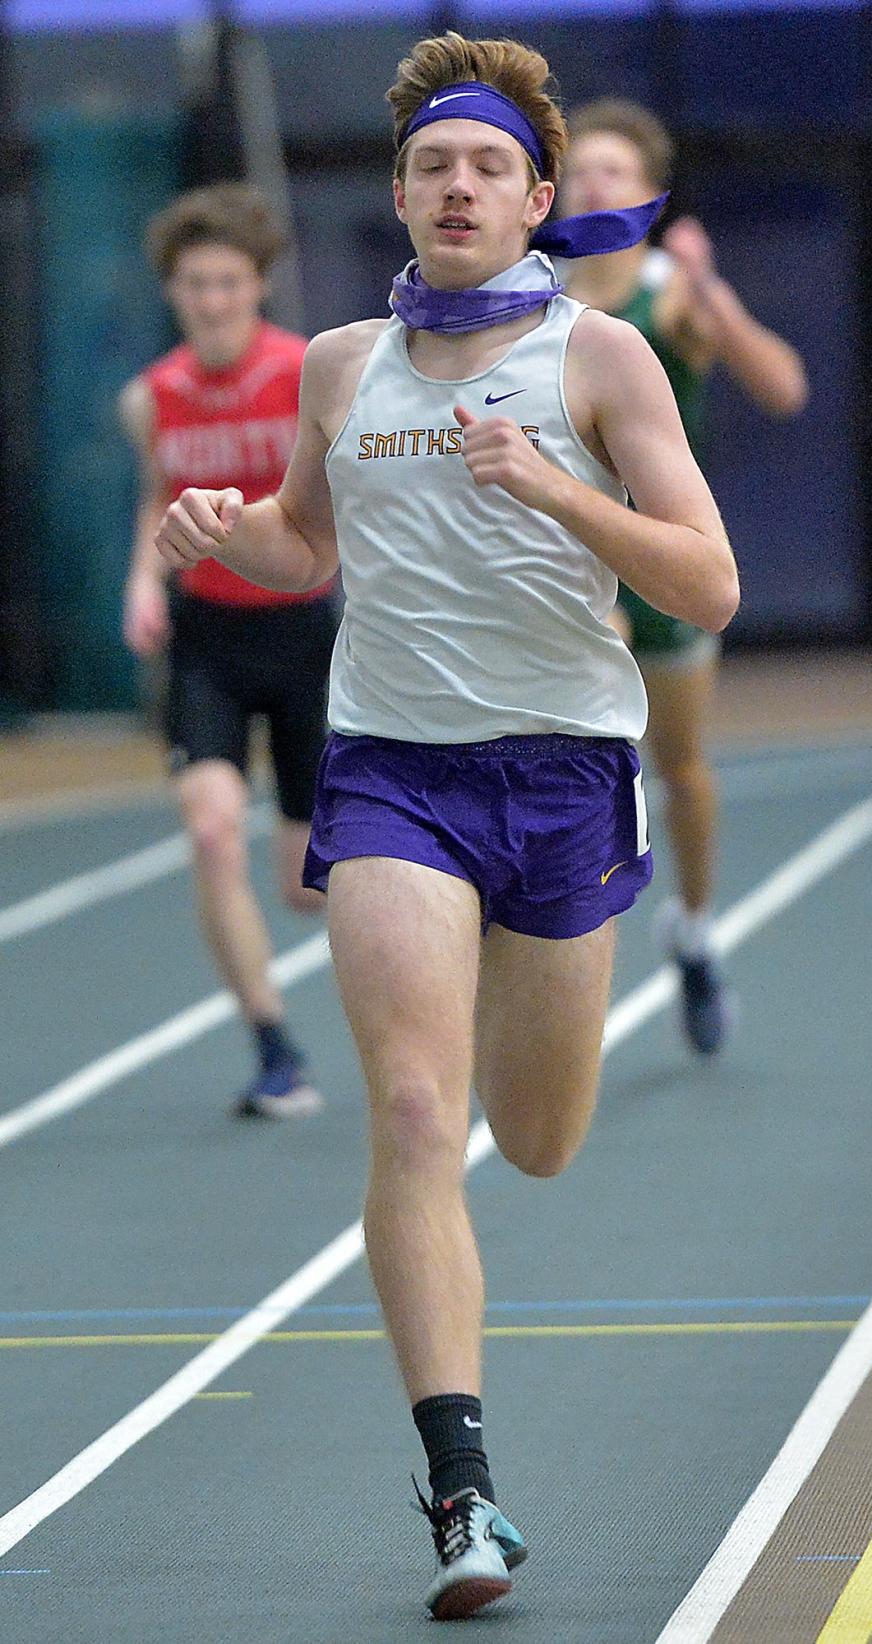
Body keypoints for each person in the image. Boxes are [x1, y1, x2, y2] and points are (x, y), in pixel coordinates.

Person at [155, 34, 739, 1619]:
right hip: (393, 771)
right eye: (430, 166)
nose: (458, 186)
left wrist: (557, 493)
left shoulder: (597, 360)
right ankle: (463, 1492)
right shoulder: (339, 366)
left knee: (535, 1140)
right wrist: (227, 535)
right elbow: (301, 541)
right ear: (401, 197)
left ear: (538, 197)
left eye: (486, 166)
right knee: (416, 1117)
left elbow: (708, 584)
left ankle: (511, 964)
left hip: (560, 774)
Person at [562, 100, 808, 1054]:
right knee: (591, 752)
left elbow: (785, 390)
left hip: (665, 562)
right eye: (581, 170)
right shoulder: (533, 297)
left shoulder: (671, 298)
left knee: (685, 776)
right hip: (575, 566)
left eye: (615, 172)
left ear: (649, 195)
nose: (595, 185)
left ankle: (695, 932)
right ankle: (563, 933)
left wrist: (720, 302)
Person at [121, 182, 340, 1118]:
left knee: (306, 885)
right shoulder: (153, 397)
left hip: (302, 633)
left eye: (228, 282)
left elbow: (338, 498)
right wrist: (141, 579)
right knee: (211, 829)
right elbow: (154, 496)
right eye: (194, 284)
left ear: (257, 286)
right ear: (172, 292)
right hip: (208, 635)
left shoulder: (305, 374)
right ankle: (273, 1048)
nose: (211, 300)